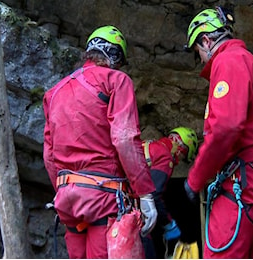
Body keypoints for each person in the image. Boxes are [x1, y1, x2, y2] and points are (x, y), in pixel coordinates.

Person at [43, 25, 158, 258]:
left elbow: (49, 154)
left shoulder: (54, 92)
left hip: (66, 199)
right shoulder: (116, 80)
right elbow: (124, 139)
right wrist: (145, 194)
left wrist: (65, 189)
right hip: (102, 198)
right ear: (115, 57)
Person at [182, 6, 253, 259]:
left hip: (245, 177)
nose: (202, 61)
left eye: (198, 53)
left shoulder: (229, 60)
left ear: (206, 40)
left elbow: (226, 127)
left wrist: (194, 180)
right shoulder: (249, 61)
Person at [141, 127, 199, 258]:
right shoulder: (165, 156)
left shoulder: (149, 146)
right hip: (135, 217)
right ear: (181, 150)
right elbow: (154, 195)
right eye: (183, 156)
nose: (178, 162)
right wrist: (168, 224)